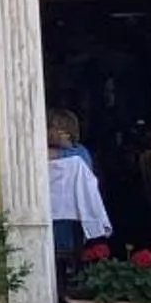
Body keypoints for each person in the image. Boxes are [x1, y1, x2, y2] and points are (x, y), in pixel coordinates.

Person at [46, 109, 111, 264]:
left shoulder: (80, 153)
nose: (49, 132)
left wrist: (60, 149)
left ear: (66, 132)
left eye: (53, 128)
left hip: (72, 218)